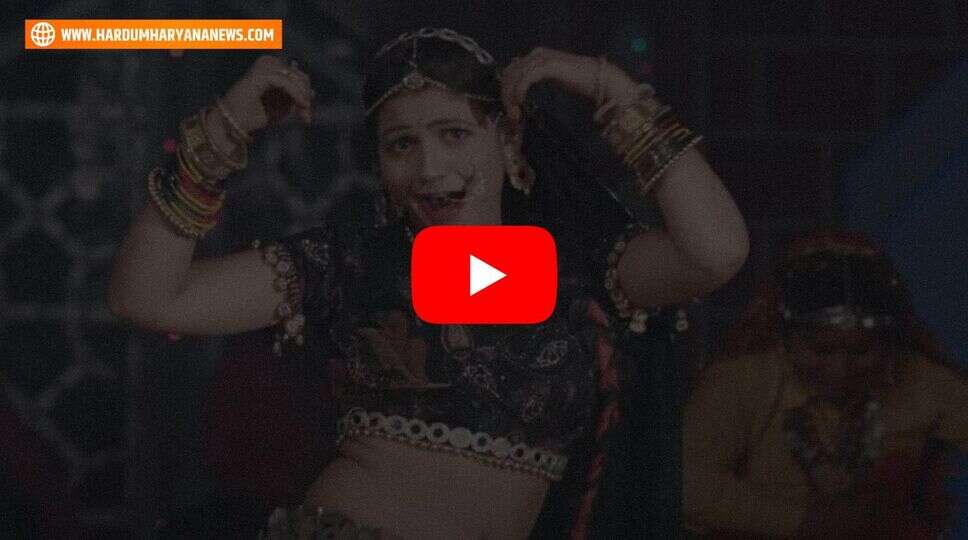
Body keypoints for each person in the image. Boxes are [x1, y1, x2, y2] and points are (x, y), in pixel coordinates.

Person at [107, 27, 749, 539]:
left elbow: (715, 253)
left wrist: (612, 88)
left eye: (454, 134)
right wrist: (223, 134)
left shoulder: (576, 269)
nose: (430, 167)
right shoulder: (353, 262)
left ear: (507, 139)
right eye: (401, 145)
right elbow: (150, 298)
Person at [683, 230, 968, 538]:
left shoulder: (920, 380)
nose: (840, 369)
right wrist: (801, 522)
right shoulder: (742, 381)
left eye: (861, 351)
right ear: (785, 338)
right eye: (821, 351)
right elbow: (685, 484)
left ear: (888, 344)